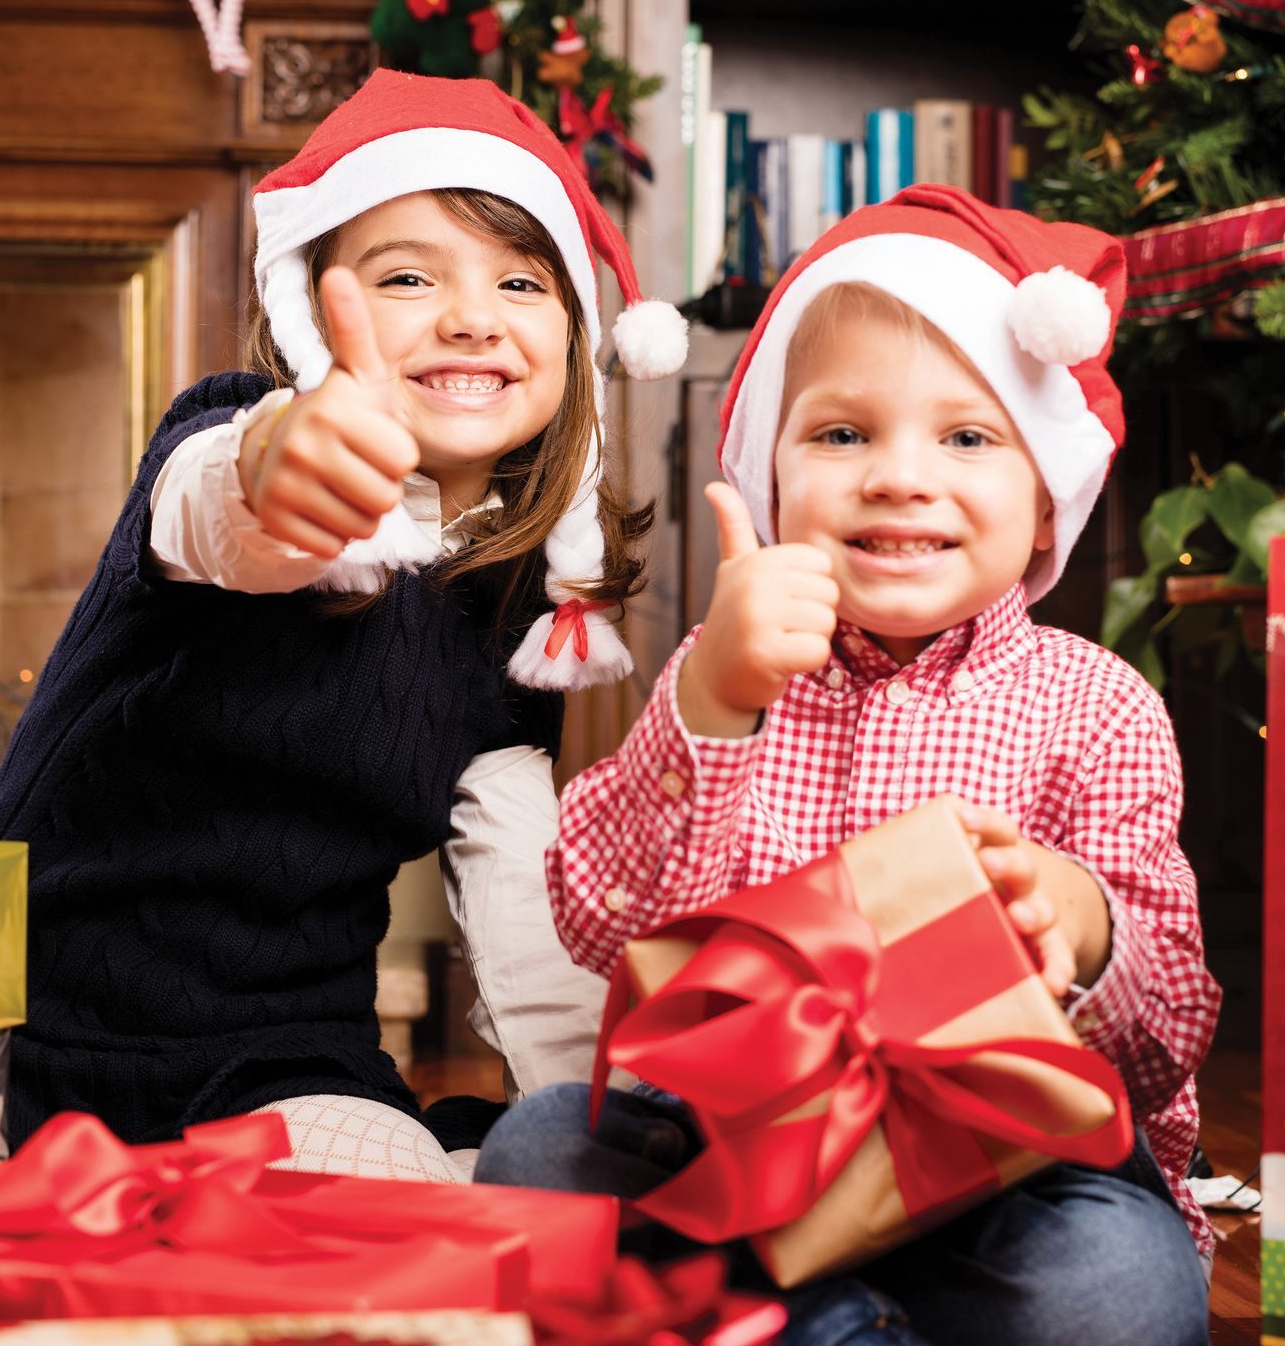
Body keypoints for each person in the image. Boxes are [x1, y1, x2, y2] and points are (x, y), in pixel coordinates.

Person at [476, 185, 1221, 1346]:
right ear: (773, 479)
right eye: (841, 433)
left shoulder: (1096, 705)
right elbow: (598, 926)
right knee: (534, 1153)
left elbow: (1171, 1032)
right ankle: (834, 1318)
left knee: (1121, 1282)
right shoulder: (721, 670)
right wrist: (713, 701)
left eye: (968, 437)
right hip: (737, 1148)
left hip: (1003, 1160)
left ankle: (812, 1325)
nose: (898, 477)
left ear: (1044, 507)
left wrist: (1082, 926)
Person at [0, 70, 690, 1181]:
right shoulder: (227, 439)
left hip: (285, 1063)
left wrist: (595, 1123)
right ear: (316, 314)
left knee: (469, 1220)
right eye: (408, 276)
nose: (472, 317)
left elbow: (518, 893)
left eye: (520, 281)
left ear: (576, 334)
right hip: (53, 1053)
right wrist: (285, 468)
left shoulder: (503, 604)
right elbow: (224, 509)